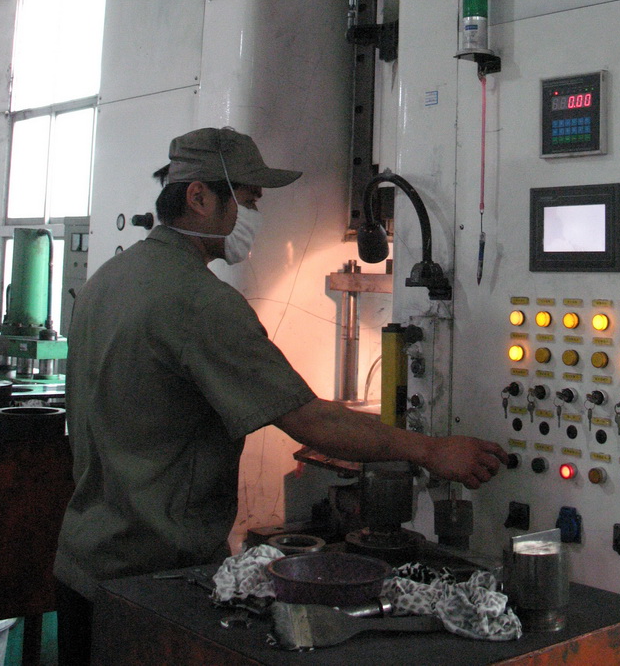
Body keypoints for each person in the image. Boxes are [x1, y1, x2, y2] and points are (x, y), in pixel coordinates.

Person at [54, 126, 507, 665]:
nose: (254, 217)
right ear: (199, 197)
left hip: (83, 568)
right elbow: (311, 421)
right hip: (155, 584)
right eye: (248, 200)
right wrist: (432, 450)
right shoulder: (200, 301)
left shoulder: (107, 279)